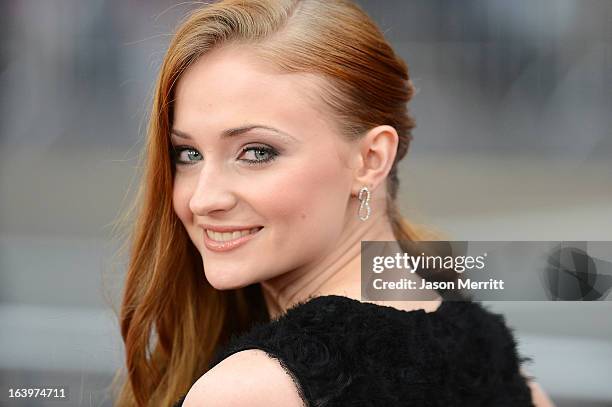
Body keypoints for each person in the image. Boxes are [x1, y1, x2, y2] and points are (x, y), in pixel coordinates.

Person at [113, 0, 555, 406]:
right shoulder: (507, 371)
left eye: (257, 152)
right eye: (187, 154)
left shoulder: (250, 390)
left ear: (370, 159)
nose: (204, 198)